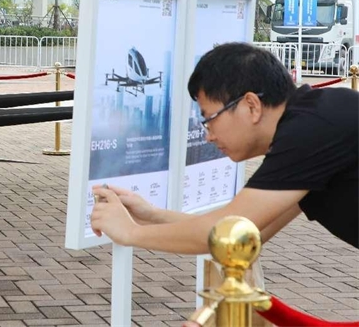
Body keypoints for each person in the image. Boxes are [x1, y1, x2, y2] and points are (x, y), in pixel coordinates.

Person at [90, 42, 358, 253]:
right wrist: (151, 215)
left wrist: (130, 233)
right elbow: (246, 233)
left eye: (209, 119)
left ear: (251, 105)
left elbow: (227, 234)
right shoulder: (312, 120)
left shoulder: (311, 131)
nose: (208, 136)